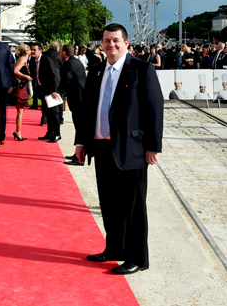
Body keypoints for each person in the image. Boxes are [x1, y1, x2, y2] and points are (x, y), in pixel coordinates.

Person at [75, 23, 163, 275]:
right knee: (109, 205)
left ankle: (137, 258)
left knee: (134, 208)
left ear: (126, 43)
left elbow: (154, 109)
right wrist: (82, 142)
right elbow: (87, 110)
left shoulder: (142, 69)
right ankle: (114, 249)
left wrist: (152, 147)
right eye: (106, 41)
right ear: (101, 44)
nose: (110, 45)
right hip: (102, 148)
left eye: (115, 40)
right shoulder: (96, 71)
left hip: (132, 149)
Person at [60, 43, 87, 166]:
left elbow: (66, 79)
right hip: (81, 99)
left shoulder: (69, 63)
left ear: (65, 52)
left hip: (78, 100)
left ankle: (79, 158)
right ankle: (78, 153)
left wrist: (57, 91)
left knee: (80, 128)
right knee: (79, 127)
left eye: (61, 51)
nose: (60, 54)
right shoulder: (77, 62)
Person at [29, 42, 61, 142]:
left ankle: (57, 133)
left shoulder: (47, 60)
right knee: (46, 112)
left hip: (50, 90)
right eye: (32, 50)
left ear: (40, 51)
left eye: (34, 50)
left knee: (54, 113)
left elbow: (53, 75)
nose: (32, 52)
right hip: (42, 90)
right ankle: (49, 132)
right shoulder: (33, 61)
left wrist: (54, 90)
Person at [13, 44, 32, 141]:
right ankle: (18, 132)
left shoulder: (22, 60)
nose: (31, 53)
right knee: (20, 111)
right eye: (30, 51)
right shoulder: (23, 60)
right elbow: (15, 71)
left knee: (21, 111)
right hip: (20, 88)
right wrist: (25, 76)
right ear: (26, 52)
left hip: (22, 88)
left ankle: (18, 131)